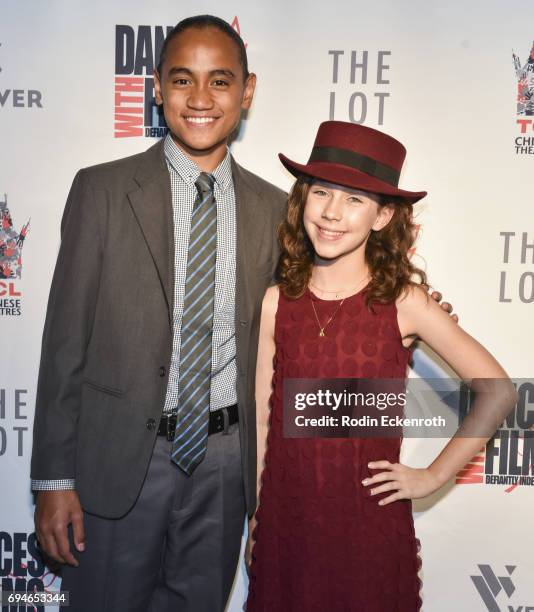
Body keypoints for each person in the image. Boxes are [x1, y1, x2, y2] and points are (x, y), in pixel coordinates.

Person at [30, 15, 287, 612]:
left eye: (220, 81)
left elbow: (305, 325)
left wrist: (402, 311)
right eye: (182, 80)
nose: (200, 99)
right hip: (119, 461)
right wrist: (54, 481)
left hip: (226, 468)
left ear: (247, 93)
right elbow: (64, 343)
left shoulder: (277, 210)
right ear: (155, 88)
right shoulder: (101, 190)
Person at [245, 121, 516, 611]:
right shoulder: (274, 303)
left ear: (383, 215)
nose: (331, 213)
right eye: (321, 192)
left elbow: (498, 390)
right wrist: (256, 521)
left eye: (354, 200)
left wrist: (432, 477)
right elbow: (266, 424)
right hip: (287, 530)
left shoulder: (404, 303)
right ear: (302, 199)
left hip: (368, 530)